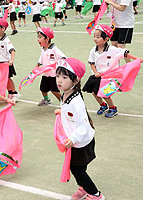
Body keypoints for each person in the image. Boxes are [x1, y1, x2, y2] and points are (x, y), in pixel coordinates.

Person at [54, 57, 105, 200]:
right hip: (77, 141)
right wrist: (61, 111)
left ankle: (95, 194)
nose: (59, 80)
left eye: (64, 77)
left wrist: (73, 139)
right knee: (79, 168)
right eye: (58, 76)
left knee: (77, 169)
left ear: (75, 81)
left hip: (80, 142)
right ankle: (83, 187)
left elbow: (82, 125)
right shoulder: (66, 93)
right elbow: (71, 115)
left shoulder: (75, 102)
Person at [82, 24, 143, 118]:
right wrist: (96, 73)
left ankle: (113, 108)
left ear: (106, 39)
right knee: (94, 92)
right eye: (94, 36)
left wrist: (136, 58)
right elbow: (92, 63)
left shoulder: (112, 50)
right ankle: (103, 105)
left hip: (110, 77)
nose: (95, 39)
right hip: (97, 75)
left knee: (106, 94)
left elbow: (125, 53)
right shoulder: (93, 50)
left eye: (98, 37)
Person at [36, 27, 66, 106]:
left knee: (55, 91)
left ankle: (63, 103)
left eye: (40, 37)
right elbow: (41, 59)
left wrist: (58, 65)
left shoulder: (54, 48)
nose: (38, 39)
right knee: (43, 89)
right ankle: (46, 99)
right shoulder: (43, 49)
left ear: (47, 39)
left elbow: (63, 57)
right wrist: (37, 66)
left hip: (54, 75)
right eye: (37, 37)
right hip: (46, 74)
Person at [0, 18, 19, 102]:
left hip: (6, 64)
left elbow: (12, 50)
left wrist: (12, 60)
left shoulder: (5, 40)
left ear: (3, 29)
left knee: (8, 79)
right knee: (3, 80)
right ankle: (10, 92)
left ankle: (15, 93)